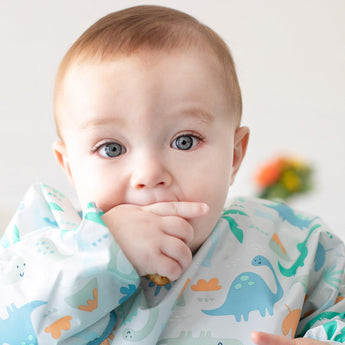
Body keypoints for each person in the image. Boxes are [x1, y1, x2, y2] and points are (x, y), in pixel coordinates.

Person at [0, 5, 344, 345]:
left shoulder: (291, 241)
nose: (150, 174)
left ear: (235, 155)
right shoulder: (48, 235)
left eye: (184, 141)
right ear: (70, 167)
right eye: (112, 149)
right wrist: (103, 248)